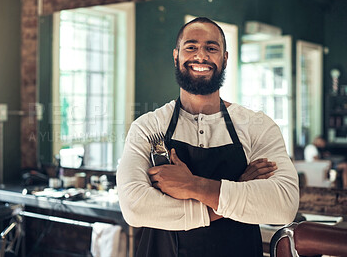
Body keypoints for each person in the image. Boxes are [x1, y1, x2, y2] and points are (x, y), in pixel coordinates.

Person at [116, 17, 299, 257]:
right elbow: (135, 208)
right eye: (191, 47)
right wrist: (231, 196)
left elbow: (283, 206)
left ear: (225, 58)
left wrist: (192, 185)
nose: (201, 56)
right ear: (176, 55)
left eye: (211, 48)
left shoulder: (257, 126)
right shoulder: (149, 126)